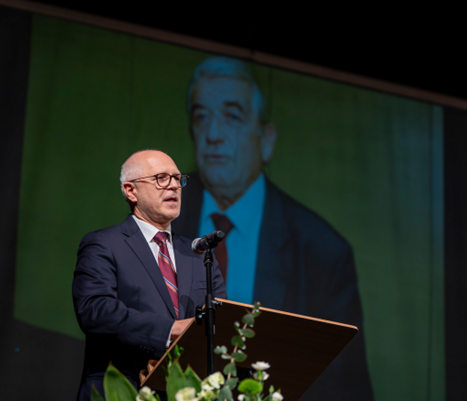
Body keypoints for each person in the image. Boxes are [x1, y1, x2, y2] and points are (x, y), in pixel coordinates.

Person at [172, 57, 374, 400]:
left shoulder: (323, 252)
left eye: (232, 117)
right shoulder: (160, 221)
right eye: (201, 117)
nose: (213, 135)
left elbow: (345, 390)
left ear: (266, 139)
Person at [72, 150, 226, 401]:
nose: (174, 185)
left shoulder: (197, 255)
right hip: (122, 388)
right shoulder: (104, 244)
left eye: (178, 178)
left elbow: (219, 323)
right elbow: (95, 310)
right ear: (131, 190)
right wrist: (169, 330)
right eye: (162, 178)